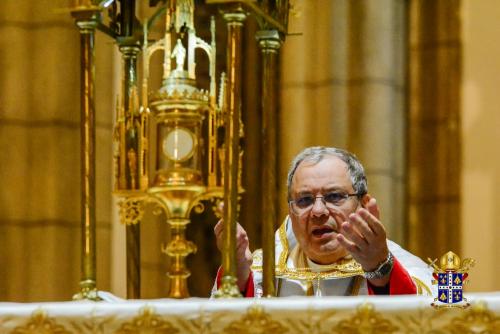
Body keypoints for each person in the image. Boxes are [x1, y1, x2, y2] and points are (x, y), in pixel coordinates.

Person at [213, 146, 433, 297]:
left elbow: (433, 320)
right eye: (305, 200)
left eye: (334, 196)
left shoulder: (407, 270)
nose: (318, 211)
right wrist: (239, 279)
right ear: (290, 209)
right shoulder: (260, 272)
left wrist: (380, 271)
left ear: (363, 204)